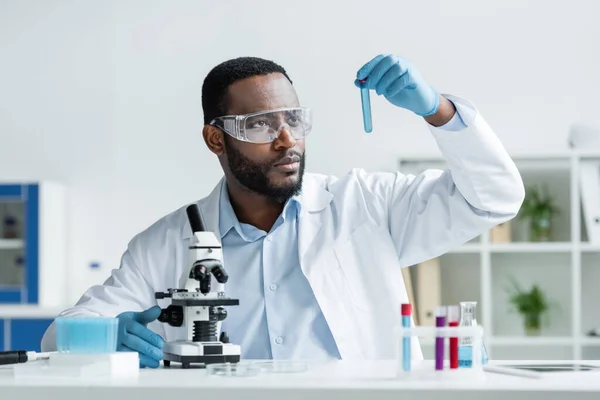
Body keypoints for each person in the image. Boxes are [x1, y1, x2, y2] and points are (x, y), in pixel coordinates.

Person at [41, 54, 524, 367]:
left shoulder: (365, 206)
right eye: (258, 124)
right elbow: (55, 337)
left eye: (294, 118)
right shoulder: (167, 243)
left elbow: (495, 197)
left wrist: (436, 109)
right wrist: (104, 334)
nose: (287, 139)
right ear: (216, 139)